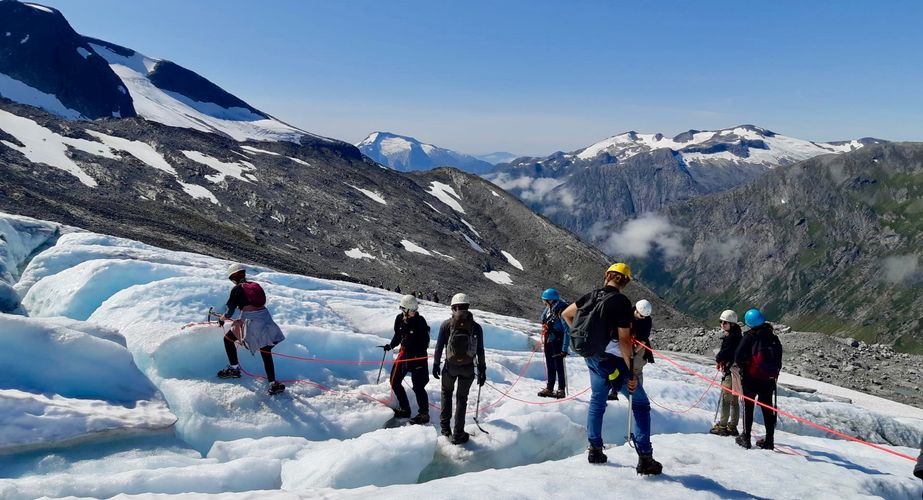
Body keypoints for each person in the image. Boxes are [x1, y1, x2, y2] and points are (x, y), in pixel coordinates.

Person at [562, 263, 663, 475]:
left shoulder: (590, 295)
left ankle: (595, 449)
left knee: (597, 402)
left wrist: (582, 337)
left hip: (592, 358)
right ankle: (645, 458)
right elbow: (625, 341)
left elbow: (566, 314)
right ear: (625, 282)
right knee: (641, 405)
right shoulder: (621, 302)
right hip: (615, 360)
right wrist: (632, 372)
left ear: (607, 275)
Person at [216, 263, 286, 395]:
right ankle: (273, 383)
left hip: (251, 321)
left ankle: (234, 369)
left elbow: (230, 311)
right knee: (266, 350)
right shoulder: (254, 286)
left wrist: (222, 319)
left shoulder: (237, 289)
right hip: (265, 318)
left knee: (228, 339)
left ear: (233, 277)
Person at [433, 293, 486, 445]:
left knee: (446, 393)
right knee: (462, 399)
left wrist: (436, 364)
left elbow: (438, 347)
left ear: (453, 307)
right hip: (468, 369)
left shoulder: (446, 325)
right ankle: (458, 433)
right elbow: (480, 350)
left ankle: (445, 428)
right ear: (468, 307)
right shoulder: (476, 327)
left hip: (450, 367)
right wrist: (482, 370)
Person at [734, 308, 783, 450]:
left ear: (749, 323)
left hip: (751, 378)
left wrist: (745, 367)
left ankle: (746, 437)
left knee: (748, 407)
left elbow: (738, 356)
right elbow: (779, 359)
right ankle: (769, 441)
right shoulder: (773, 337)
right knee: (767, 408)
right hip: (768, 379)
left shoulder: (750, 336)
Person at [384, 295, 431, 424]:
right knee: (394, 381)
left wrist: (417, 352)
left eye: (415, 310)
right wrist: (391, 345)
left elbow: (425, 341)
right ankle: (405, 409)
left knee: (418, 386)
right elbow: (398, 336)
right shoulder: (399, 319)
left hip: (418, 357)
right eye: (412, 310)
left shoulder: (420, 321)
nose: (414, 312)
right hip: (404, 355)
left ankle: (424, 414)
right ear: (404, 309)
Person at [609, 299, 654, 400]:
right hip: (624, 342)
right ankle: (614, 391)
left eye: (644, 316)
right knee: (618, 366)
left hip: (638, 346)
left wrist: (634, 352)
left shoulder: (647, 320)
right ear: (636, 310)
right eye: (641, 316)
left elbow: (643, 340)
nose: (643, 318)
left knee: (636, 369)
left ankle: (638, 396)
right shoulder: (626, 314)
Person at [710, 309, 743, 437]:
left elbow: (724, 353)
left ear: (732, 324)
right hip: (738, 373)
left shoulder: (730, 338)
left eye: (725, 322)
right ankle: (733, 426)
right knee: (734, 400)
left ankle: (722, 426)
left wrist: (719, 359)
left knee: (726, 399)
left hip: (730, 372)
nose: (722, 324)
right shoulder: (739, 336)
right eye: (721, 322)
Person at [538, 288, 569, 398]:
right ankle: (550, 388)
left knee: (558, 365)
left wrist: (564, 349)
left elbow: (567, 331)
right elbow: (544, 319)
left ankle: (561, 389)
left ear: (550, 300)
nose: (544, 302)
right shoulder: (549, 309)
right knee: (550, 364)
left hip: (558, 341)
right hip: (549, 339)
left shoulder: (561, 311)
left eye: (545, 300)